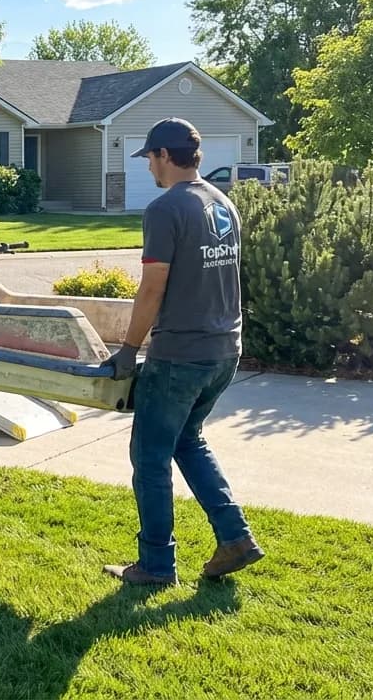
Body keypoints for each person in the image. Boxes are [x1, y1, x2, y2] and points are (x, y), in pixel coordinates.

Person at [102, 118, 264, 586]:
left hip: (179, 355)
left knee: (150, 456)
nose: (149, 167)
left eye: (150, 158)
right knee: (188, 440)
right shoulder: (222, 203)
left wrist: (129, 349)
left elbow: (153, 286)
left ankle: (155, 564)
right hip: (224, 349)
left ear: (164, 156)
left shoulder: (166, 208)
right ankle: (235, 537)